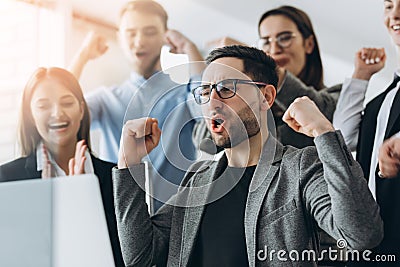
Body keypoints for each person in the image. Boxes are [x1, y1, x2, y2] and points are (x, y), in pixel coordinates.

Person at [112, 45, 383, 266]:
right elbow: (140, 258)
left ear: (265, 96)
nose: (213, 101)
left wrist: (324, 132)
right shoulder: (197, 180)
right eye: (205, 92)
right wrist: (129, 164)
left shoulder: (301, 167)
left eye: (227, 89)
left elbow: (361, 235)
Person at [69, 0, 204, 211]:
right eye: (131, 33)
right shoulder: (106, 100)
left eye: (149, 32)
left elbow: (208, 112)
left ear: (165, 37)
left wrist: (192, 51)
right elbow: (62, 111)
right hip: (118, 219)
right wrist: (82, 56)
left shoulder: (185, 94)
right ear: (119, 38)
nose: (139, 41)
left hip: (177, 223)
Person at [0, 67, 124, 267]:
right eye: (43, 106)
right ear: (31, 114)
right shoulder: (7, 178)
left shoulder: (116, 176)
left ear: (81, 109)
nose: (57, 113)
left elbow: (127, 256)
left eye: (67, 103)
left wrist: (83, 198)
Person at [202, 6, 340, 150]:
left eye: (285, 38)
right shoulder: (252, 104)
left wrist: (254, 62)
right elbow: (207, 144)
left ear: (309, 44)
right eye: (266, 41)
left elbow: (322, 118)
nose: (274, 49)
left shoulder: (336, 95)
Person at [333, 1, 400, 265]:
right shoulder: (386, 97)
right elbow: (343, 138)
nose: (394, 14)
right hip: (371, 243)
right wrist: (361, 76)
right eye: (388, 5)